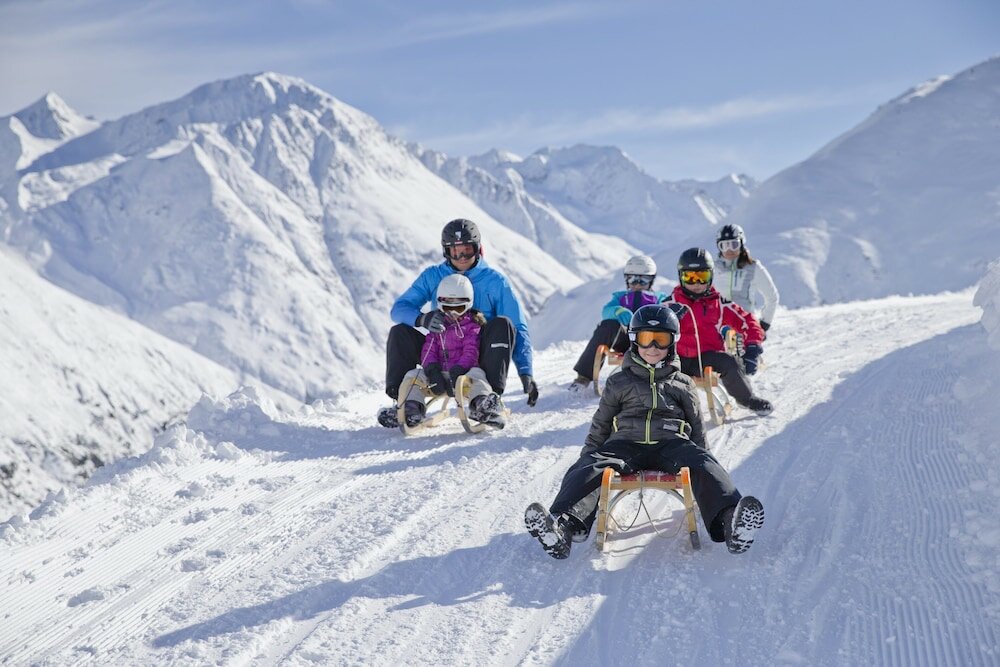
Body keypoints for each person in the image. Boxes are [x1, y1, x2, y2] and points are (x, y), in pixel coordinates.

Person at [524, 304, 765, 559]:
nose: (652, 348)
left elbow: (696, 427)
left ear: (672, 342)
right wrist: (588, 456)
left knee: (704, 464)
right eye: (645, 339)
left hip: (672, 443)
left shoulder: (682, 383)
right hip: (625, 444)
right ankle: (562, 528)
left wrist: (703, 458)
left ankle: (731, 522)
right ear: (633, 341)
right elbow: (601, 424)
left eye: (660, 340)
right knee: (589, 467)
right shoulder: (619, 381)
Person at [378, 218, 538, 427]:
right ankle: (404, 403)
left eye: (467, 250)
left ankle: (488, 401)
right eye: (455, 252)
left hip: (478, 355)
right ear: (446, 252)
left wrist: (526, 371)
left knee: (503, 324)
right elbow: (398, 309)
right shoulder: (433, 276)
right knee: (400, 332)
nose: (462, 257)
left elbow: (518, 327)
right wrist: (422, 318)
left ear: (478, 250)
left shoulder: (495, 282)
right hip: (440, 349)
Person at [665, 248, 773, 415]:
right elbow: (651, 325)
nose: (696, 284)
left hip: (707, 356)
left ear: (711, 276)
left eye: (702, 277)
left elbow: (747, 320)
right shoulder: (670, 304)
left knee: (729, 362)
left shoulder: (718, 303)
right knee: (656, 367)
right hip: (677, 357)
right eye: (690, 277)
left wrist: (752, 347)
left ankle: (746, 399)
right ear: (681, 277)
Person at [388, 274, 504, 428]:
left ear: (468, 305)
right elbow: (428, 350)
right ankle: (410, 409)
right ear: (440, 304)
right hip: (438, 374)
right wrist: (431, 370)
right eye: (448, 307)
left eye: (459, 308)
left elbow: (471, 351)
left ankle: (481, 405)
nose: (453, 313)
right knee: (412, 376)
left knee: (479, 376)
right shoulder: (437, 326)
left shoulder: (472, 327)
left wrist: (460, 369)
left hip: (464, 373)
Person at [568, 255, 669, 392]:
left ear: (651, 281)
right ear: (627, 280)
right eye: (633, 279)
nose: (637, 284)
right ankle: (583, 378)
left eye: (643, 280)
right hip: (626, 340)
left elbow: (667, 313)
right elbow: (606, 312)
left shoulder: (660, 298)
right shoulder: (620, 297)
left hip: (650, 341)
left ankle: (663, 377)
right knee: (607, 326)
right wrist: (618, 310)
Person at [713, 224, 779, 333]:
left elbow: (772, 296)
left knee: (749, 350)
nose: (729, 250)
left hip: (744, 325)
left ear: (741, 244)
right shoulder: (713, 268)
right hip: (718, 327)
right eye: (724, 245)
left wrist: (765, 323)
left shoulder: (753, 267)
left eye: (734, 244)